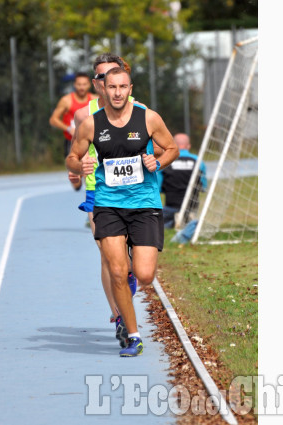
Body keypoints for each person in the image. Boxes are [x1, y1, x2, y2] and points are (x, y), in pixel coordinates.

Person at [66, 67, 179, 356]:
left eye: (123, 87)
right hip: (108, 204)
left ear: (130, 88)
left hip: (144, 205)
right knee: (117, 271)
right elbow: (72, 157)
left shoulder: (148, 118)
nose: (117, 92)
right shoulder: (91, 124)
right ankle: (132, 334)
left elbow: (172, 148)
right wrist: (80, 166)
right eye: (112, 87)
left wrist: (158, 161)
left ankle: (132, 264)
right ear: (103, 89)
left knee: (143, 274)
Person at [67, 54, 137, 338]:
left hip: (135, 192)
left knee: (130, 261)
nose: (107, 80)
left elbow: (157, 147)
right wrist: (75, 168)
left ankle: (128, 279)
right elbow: (75, 151)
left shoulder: (140, 110)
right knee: (109, 257)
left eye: (113, 73)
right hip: (99, 191)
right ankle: (120, 316)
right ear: (98, 83)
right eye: (101, 76)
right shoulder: (84, 115)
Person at [49, 72, 98, 190]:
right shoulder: (66, 100)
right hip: (72, 142)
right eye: (79, 84)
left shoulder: (96, 99)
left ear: (89, 85)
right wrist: (68, 128)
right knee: (76, 183)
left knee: (89, 173)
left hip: (90, 143)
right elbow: (53, 119)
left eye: (84, 84)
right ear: (74, 85)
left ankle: (92, 201)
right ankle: (79, 182)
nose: (82, 87)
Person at [159, 133, 207, 229]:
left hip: (171, 205)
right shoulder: (198, 161)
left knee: (159, 225)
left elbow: (158, 188)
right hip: (192, 206)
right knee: (190, 221)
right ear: (188, 146)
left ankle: (174, 220)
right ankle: (187, 219)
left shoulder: (165, 160)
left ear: (173, 145)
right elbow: (203, 187)